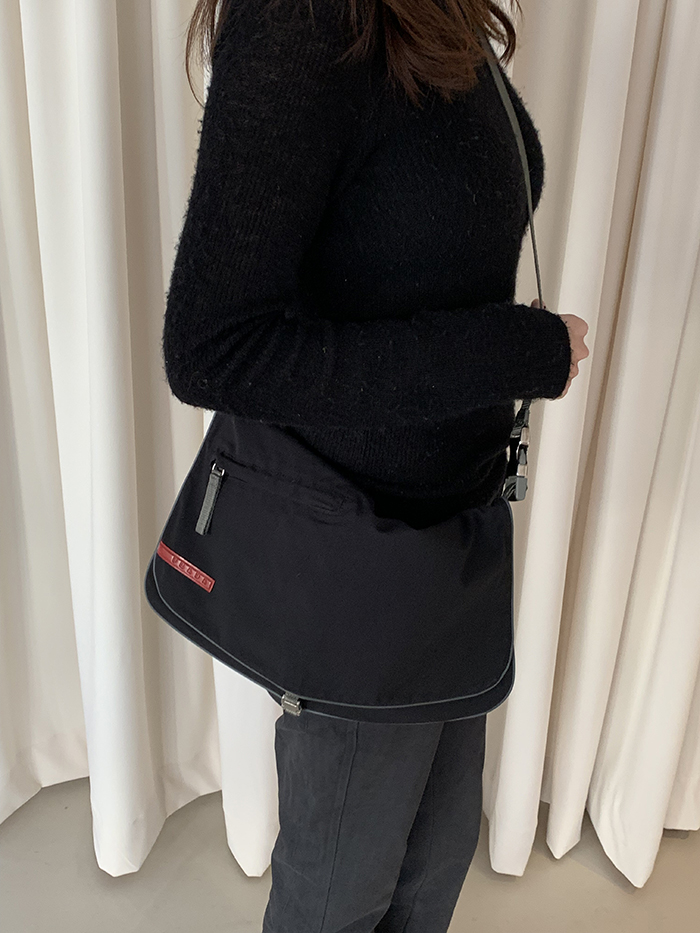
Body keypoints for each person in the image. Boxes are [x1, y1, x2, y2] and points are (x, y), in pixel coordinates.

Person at [163, 0, 590, 930]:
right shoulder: (301, 22)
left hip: (452, 538)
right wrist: (510, 354)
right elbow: (211, 349)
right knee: (340, 896)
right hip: (355, 556)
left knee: (433, 867)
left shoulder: (433, 11)